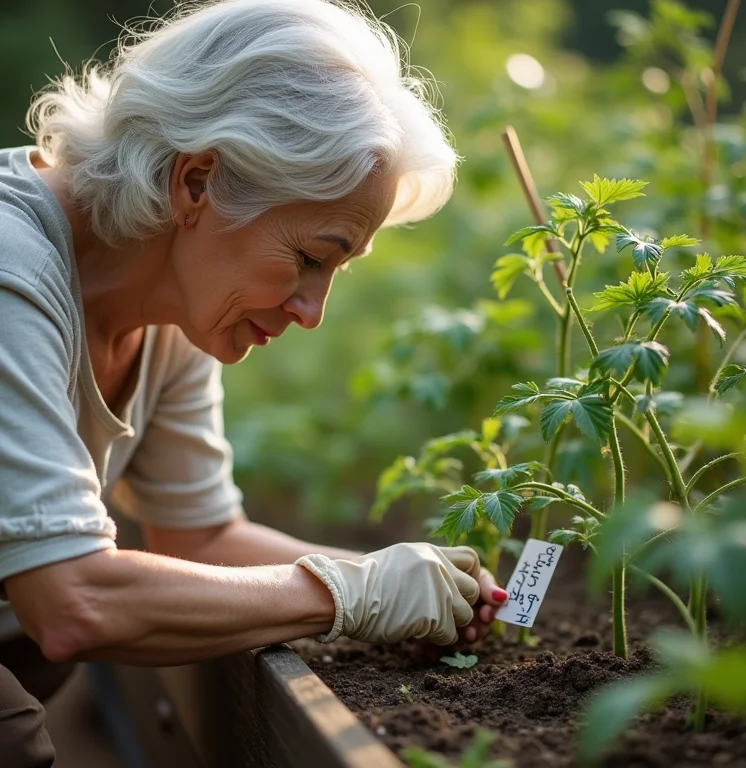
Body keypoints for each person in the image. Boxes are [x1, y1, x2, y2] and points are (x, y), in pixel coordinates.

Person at [0, 0, 508, 763]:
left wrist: (383, 579)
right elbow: (74, 603)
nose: (312, 311)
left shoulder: (171, 306)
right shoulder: (13, 271)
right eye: (310, 256)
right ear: (197, 183)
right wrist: (347, 594)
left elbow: (200, 536)